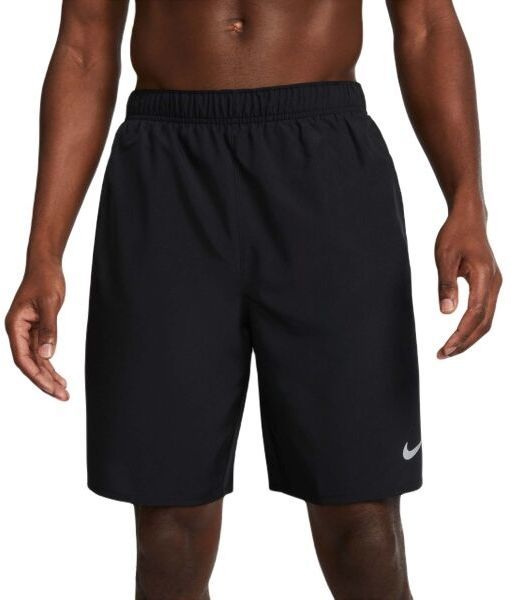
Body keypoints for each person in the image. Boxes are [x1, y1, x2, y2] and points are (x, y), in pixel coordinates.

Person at [5, 1, 502, 598]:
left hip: (325, 164)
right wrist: (44, 252)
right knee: (169, 531)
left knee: (362, 525)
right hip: (166, 175)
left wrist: (467, 201)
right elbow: (84, 46)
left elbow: (425, 25)